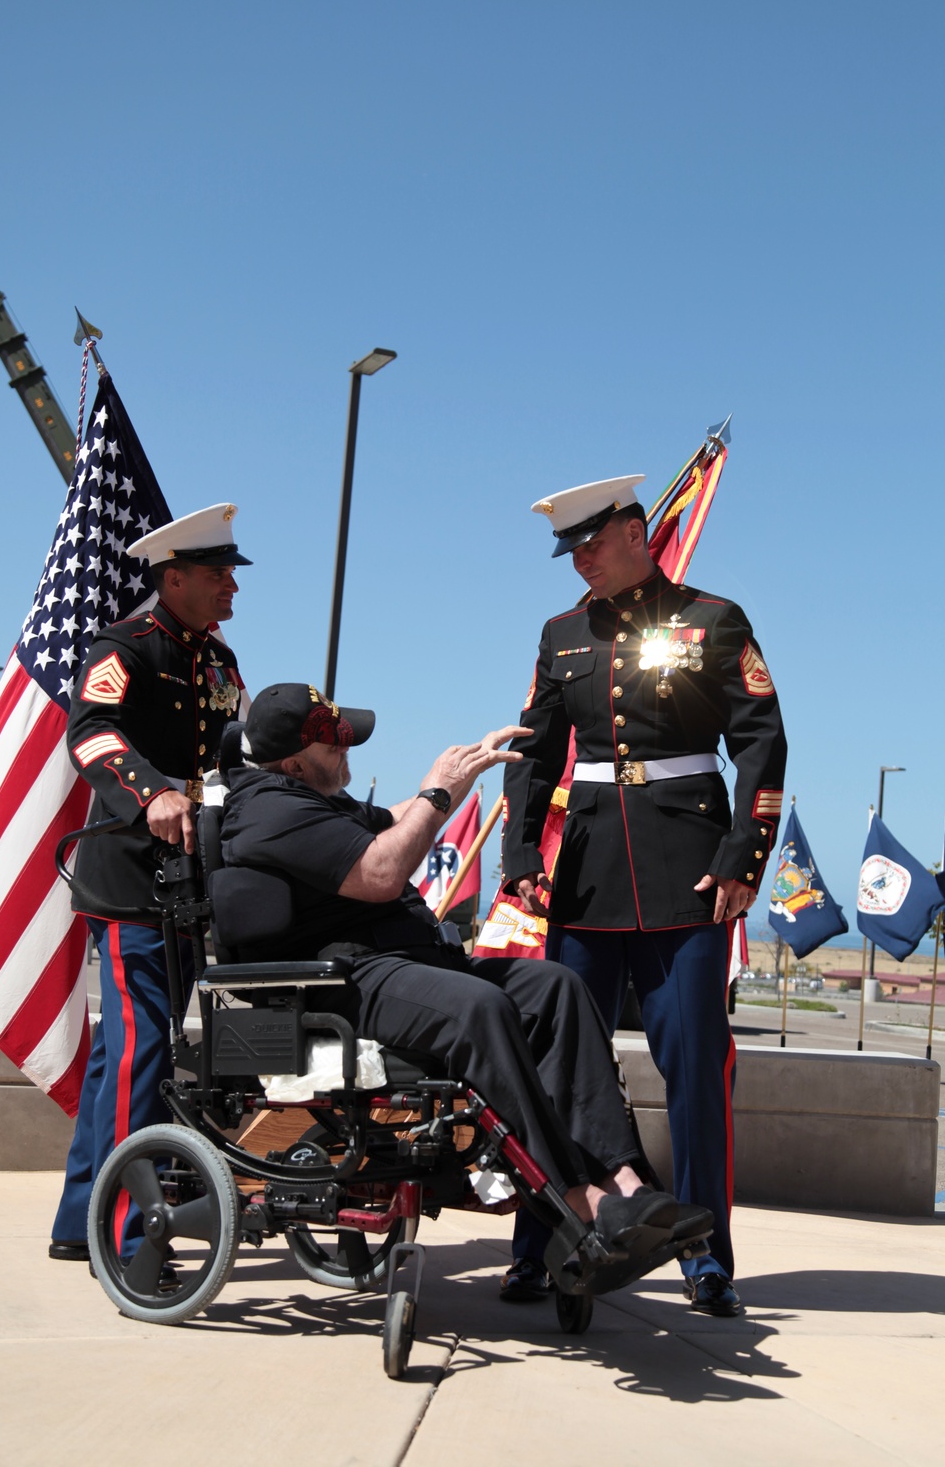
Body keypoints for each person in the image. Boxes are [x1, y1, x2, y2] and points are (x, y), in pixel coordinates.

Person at [218, 681, 712, 1278]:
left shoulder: (310, 795)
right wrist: (437, 793)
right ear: (295, 760)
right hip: (340, 978)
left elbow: (392, 821)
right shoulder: (269, 809)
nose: (349, 746)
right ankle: (577, 1202)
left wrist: (459, 778)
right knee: (480, 1009)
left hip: (399, 962)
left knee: (556, 989)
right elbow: (379, 871)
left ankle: (625, 1182)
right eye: (336, 740)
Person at [501, 473, 787, 1316]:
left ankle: (706, 1255)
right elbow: (533, 751)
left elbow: (762, 745)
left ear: (636, 532)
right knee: (554, 1071)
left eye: (590, 544)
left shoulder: (714, 620)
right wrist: (520, 849)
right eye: (571, 551)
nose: (579, 562)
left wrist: (744, 858)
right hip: (585, 879)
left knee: (697, 1066)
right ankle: (542, 1245)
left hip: (687, 876)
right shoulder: (560, 635)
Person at [50, 504, 250, 1261]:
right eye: (216, 574)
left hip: (191, 876)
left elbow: (236, 756)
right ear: (172, 578)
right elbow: (91, 731)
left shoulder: (221, 663)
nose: (232, 586)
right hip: (131, 874)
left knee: (119, 1056)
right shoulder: (124, 647)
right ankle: (133, 1234)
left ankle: (83, 1221)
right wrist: (150, 791)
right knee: (143, 1049)